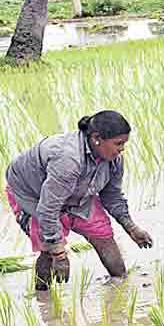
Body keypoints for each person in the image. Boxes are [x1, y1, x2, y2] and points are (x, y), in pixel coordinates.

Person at [5, 111, 154, 289]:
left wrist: (130, 227)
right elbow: (48, 208)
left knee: (103, 236)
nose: (122, 149)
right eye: (118, 143)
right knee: (48, 250)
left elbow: (112, 196)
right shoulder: (68, 159)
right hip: (34, 195)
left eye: (124, 144)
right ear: (97, 138)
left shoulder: (113, 160)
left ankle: (119, 286)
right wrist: (59, 254)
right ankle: (44, 301)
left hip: (76, 195)